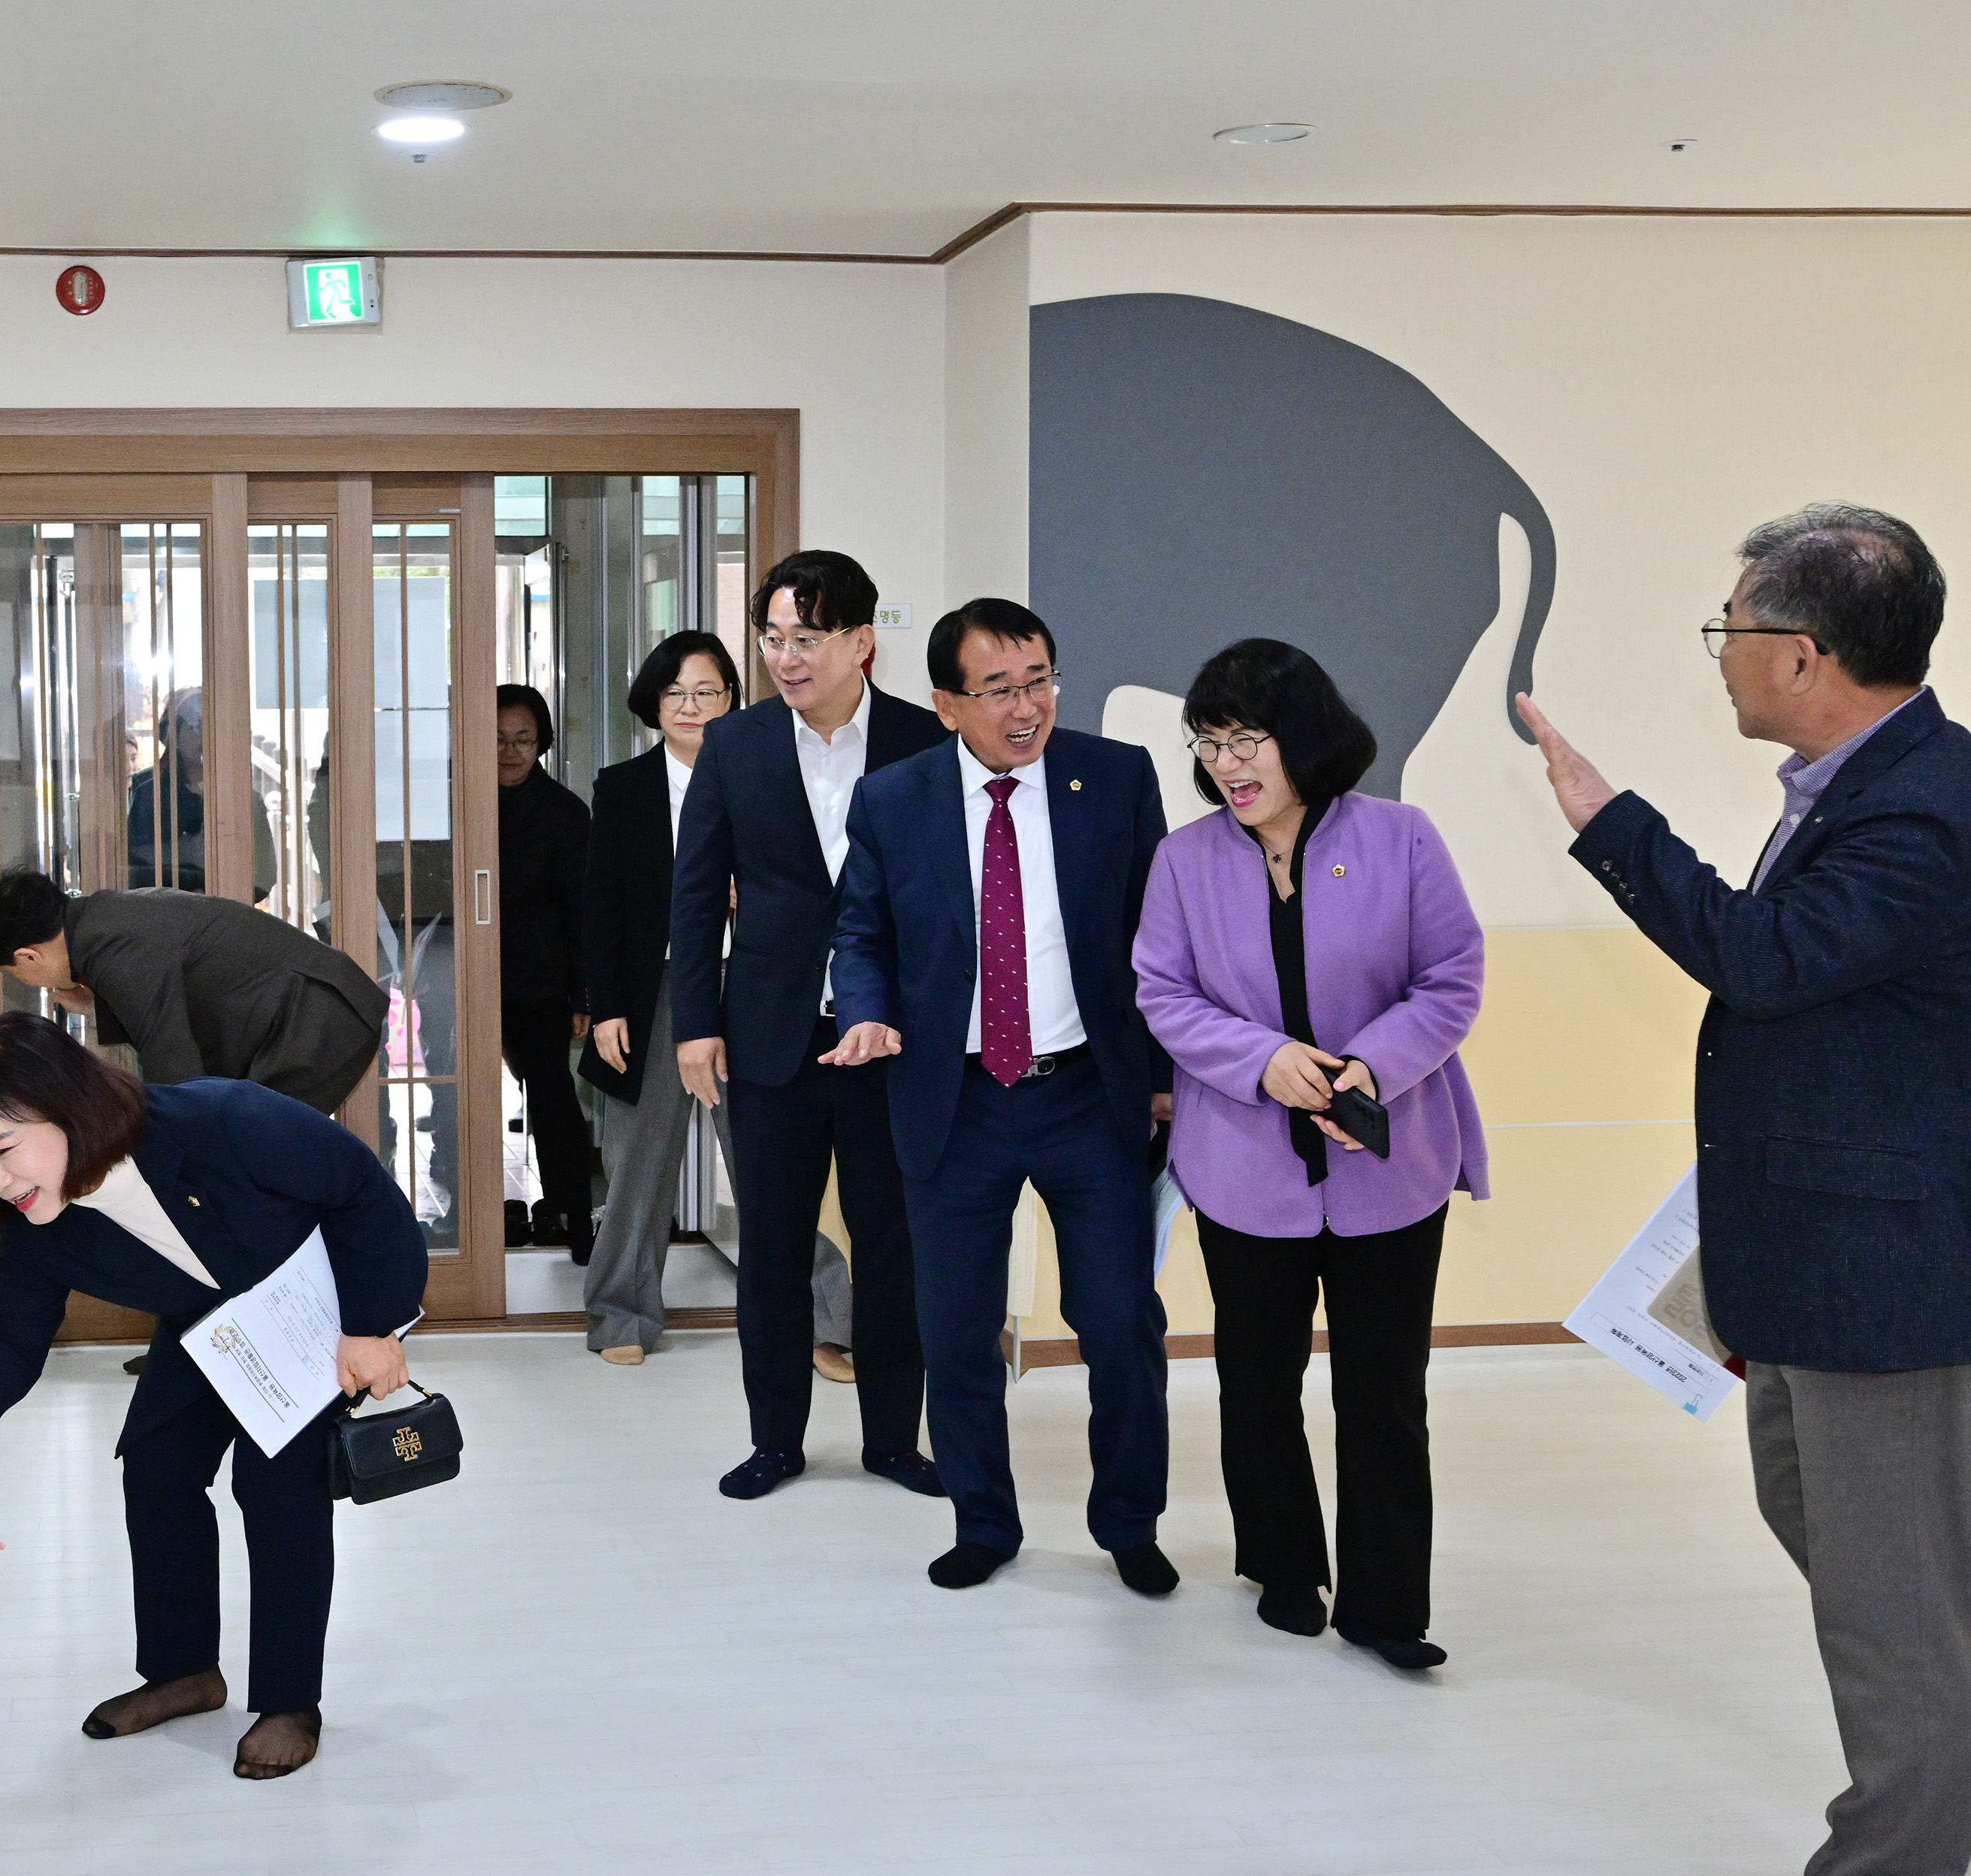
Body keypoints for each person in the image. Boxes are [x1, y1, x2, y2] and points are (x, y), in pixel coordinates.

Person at [1522, 505, 1971, 1871]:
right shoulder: (1865, 784)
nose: (1719, 655)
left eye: (1732, 629)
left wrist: (1612, 825)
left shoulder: (1923, 810)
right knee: (1862, 1573)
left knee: (1894, 1629)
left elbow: (1768, 962)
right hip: (1814, 1265)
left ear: (1805, 652)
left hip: (1883, 1288)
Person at [0, 1012, 427, 1779]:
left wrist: (372, 1327)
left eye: (3, 1149)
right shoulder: (35, 1218)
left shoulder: (223, 1120)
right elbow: (12, 1347)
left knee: (275, 1485)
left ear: (68, 1104)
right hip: (209, 1324)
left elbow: (363, 1191)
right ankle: (184, 1671)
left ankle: (289, 1701)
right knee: (157, 1466)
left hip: (315, 1311)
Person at [1134, 639, 1485, 1665]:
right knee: (1256, 1378)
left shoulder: (1401, 838)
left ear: (1305, 738)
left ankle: (1385, 1608)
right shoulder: (1184, 860)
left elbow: (1453, 975)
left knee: (1385, 1392)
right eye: (1211, 741)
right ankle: (1284, 1564)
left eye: (1251, 739)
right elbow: (1163, 990)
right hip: (1244, 1169)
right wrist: (1263, 1059)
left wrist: (1370, 1066)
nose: (1230, 763)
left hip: (1390, 1165)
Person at [827, 600, 1176, 1594]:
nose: (1028, 707)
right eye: (1000, 689)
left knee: (1117, 1320)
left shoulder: (1114, 777)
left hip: (1086, 1096)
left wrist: (1159, 1081)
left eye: (1040, 680)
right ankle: (983, 1519)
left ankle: (1129, 1523)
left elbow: (1158, 938)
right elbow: (862, 934)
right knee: (957, 1331)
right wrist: (864, 1010)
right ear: (946, 704)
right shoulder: (895, 801)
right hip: (956, 1100)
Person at [667, 549, 941, 1500]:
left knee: (893, 1247)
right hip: (770, 1038)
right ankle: (775, 1439)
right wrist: (694, 1023)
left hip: (889, 1043)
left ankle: (894, 1442)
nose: (787, 658)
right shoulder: (735, 744)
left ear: (862, 642)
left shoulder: (923, 740)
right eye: (774, 638)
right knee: (772, 1252)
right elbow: (696, 894)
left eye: (807, 638)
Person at [579, 632, 853, 1366]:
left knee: (770, 1167)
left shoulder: (769, 774)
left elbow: (809, 888)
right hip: (656, 993)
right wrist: (605, 1005)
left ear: (733, 700)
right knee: (638, 1167)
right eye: (676, 693)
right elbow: (600, 905)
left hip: (756, 993)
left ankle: (832, 1319)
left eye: (708, 692)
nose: (691, 706)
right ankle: (620, 1318)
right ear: (653, 703)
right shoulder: (624, 787)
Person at [0, 870, 387, 1117]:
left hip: (316, 1020)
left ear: (28, 956)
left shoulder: (109, 944)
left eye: (12, 971)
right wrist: (94, 1005)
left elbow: (172, 1060)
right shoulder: (100, 918)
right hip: (311, 1013)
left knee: (254, 1155)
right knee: (253, 1156)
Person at [495, 682, 596, 1255]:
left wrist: (582, 994)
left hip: (540, 977)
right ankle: (469, 1217)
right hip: (465, 973)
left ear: (543, 742)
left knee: (553, 1095)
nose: (510, 751)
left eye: (523, 739)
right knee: (459, 1098)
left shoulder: (564, 812)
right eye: (498, 739)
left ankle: (572, 1217)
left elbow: (583, 911)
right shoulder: (455, 803)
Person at [127, 686, 277, 902]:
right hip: (168, 915)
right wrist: (189, 896)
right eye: (193, 727)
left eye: (209, 727)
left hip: (229, 913)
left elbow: (265, 872)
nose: (203, 736)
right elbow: (137, 864)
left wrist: (225, 897)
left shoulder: (246, 799)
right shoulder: (150, 795)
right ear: (174, 734)